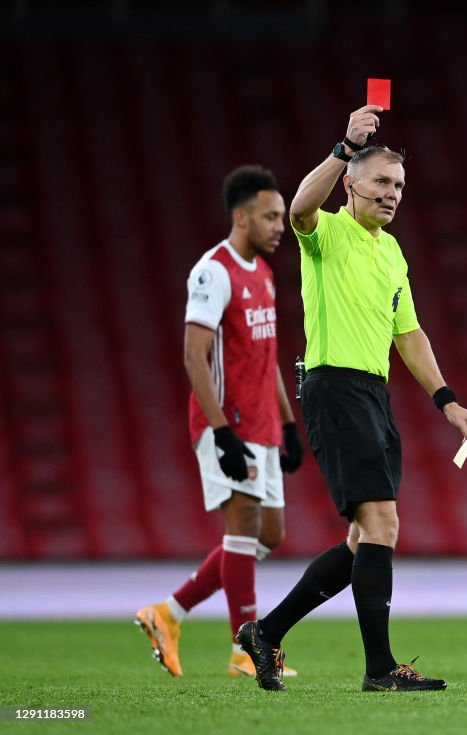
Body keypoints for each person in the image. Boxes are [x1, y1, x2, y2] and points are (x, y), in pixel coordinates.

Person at [237, 105, 467, 693]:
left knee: (361, 540)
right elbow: (297, 209)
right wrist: (345, 145)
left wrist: (446, 398)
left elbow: (409, 334)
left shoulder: (391, 251)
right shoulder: (326, 233)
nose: (392, 194)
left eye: (398, 185)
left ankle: (264, 634)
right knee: (382, 524)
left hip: (373, 392)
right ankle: (379, 670)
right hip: (334, 385)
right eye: (381, 182)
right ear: (351, 184)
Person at [135, 165, 305, 679]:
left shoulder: (265, 274)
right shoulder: (213, 271)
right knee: (244, 527)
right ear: (242, 216)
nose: (280, 226)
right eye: (270, 216)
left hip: (263, 425)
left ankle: (168, 611)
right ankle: (243, 651)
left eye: (281, 217)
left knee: (268, 535)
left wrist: (289, 423)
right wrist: (222, 432)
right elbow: (194, 357)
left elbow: (267, 354)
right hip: (226, 424)